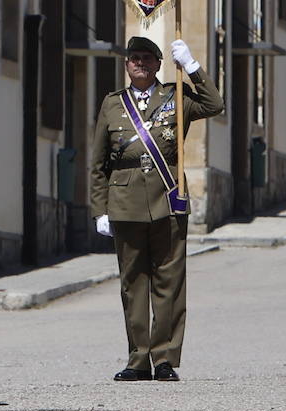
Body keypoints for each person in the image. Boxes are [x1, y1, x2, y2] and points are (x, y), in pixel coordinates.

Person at [89, 36, 224, 383]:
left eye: (148, 59)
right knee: (133, 284)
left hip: (167, 201)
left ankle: (164, 358)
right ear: (126, 65)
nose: (140, 64)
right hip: (124, 203)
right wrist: (99, 209)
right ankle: (138, 359)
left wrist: (192, 67)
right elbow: (98, 163)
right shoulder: (112, 104)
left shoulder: (175, 97)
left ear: (159, 64)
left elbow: (214, 104)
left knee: (169, 283)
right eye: (135, 59)